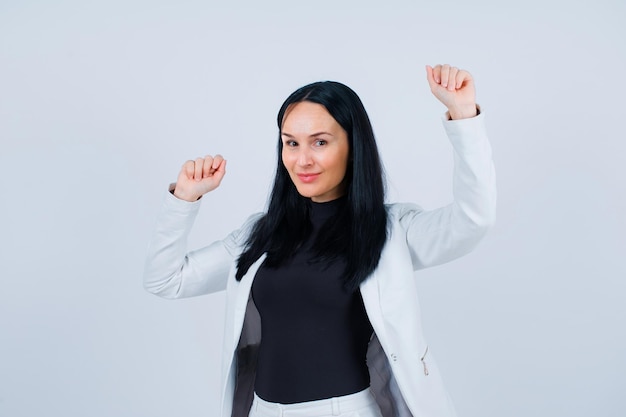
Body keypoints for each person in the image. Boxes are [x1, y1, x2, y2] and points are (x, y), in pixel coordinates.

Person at [143, 64, 496, 417]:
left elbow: (472, 220)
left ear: (353, 146)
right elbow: (165, 279)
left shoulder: (391, 230)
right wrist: (184, 200)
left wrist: (463, 118)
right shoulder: (259, 234)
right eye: (291, 144)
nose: (302, 159)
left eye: (320, 142)